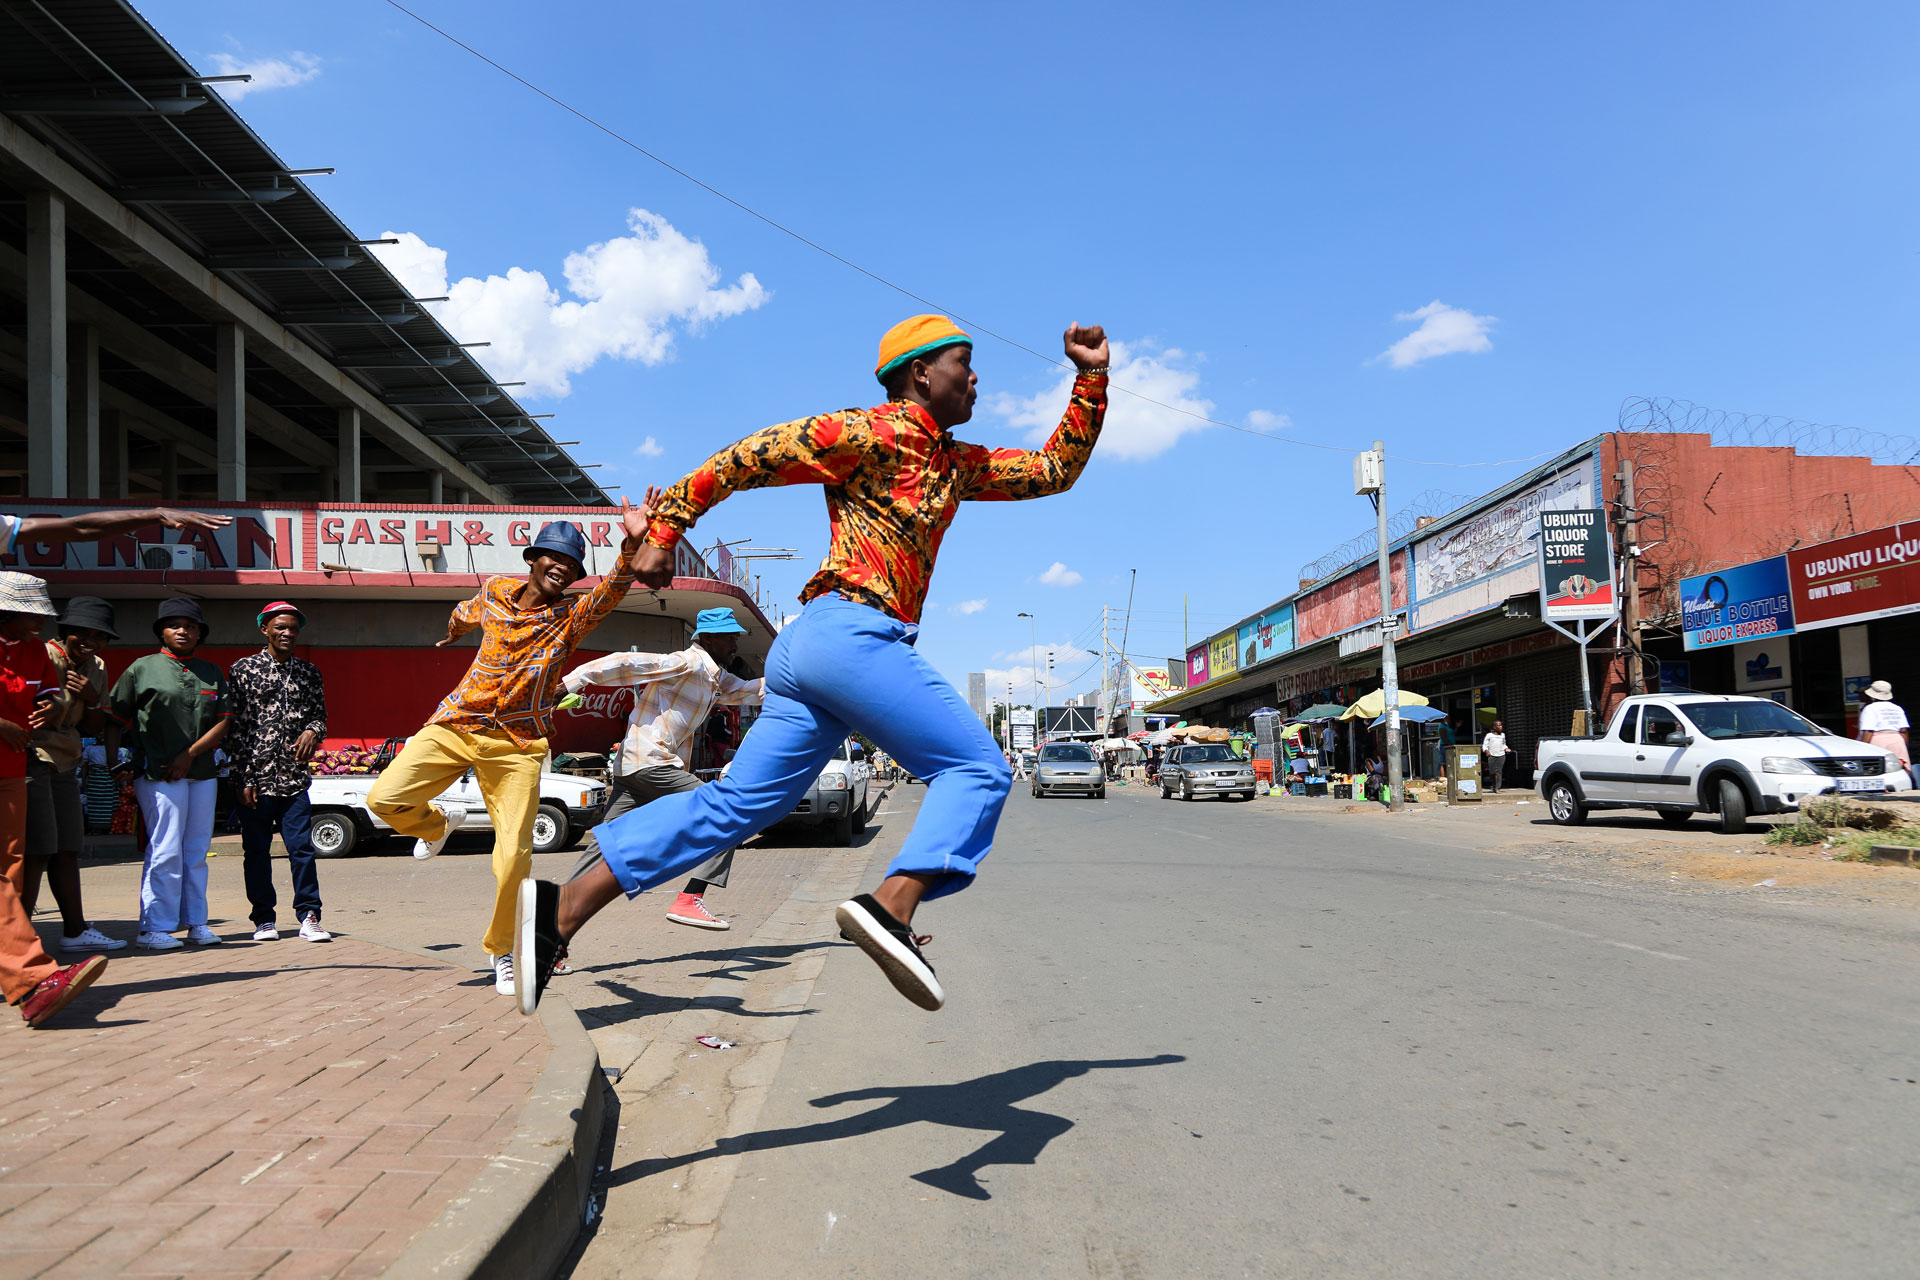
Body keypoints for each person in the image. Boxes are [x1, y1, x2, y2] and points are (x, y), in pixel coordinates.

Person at [515, 315, 1110, 1016]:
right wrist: (669, 524)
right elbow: (748, 456)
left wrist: (1091, 379)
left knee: (738, 806)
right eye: (963, 363)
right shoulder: (864, 432)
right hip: (850, 635)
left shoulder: (956, 462)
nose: (977, 378)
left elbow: (1050, 472)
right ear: (921, 372)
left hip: (815, 655)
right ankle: (892, 904)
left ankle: (558, 913)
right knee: (977, 769)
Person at [367, 495, 653, 995]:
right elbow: (465, 612)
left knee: (514, 857)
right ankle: (437, 824)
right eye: (554, 559)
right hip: (457, 724)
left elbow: (610, 591)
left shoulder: (571, 617)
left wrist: (630, 547)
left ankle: (503, 950)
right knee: (382, 799)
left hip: (518, 744)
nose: (561, 569)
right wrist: (451, 632)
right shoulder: (497, 590)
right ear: (532, 560)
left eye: (571, 565)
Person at [0, 507, 231, 1028]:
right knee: (148, 848)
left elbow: (73, 714)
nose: (42, 624)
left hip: (25, 767)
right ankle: (146, 927)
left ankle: (34, 976)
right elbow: (115, 719)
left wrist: (64, 706)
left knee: (21, 866)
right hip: (50, 763)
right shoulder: (134, 668)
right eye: (31, 615)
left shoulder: (40, 653)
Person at [557, 606, 764, 931]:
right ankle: (690, 898)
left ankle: (548, 930)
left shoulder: (715, 677)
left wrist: (802, 683)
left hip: (634, 769)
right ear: (708, 639)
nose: (735, 647)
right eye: (729, 639)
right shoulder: (687, 662)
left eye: (735, 639)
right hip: (651, 763)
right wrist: (571, 683)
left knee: (604, 849)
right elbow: (625, 663)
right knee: (729, 810)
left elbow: (751, 691)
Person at [110, 599, 231, 950]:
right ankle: (154, 928)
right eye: (174, 625)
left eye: (191, 626)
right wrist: (112, 758)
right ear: (161, 631)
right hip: (158, 772)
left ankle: (196, 923)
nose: (183, 630)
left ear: (200, 633)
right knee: (165, 849)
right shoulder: (142, 668)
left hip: (203, 772)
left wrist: (189, 755)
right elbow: (115, 718)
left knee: (196, 851)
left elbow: (223, 720)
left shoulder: (211, 671)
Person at [24, 597, 124, 953]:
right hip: (32, 757)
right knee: (37, 850)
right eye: (81, 632)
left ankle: (75, 930)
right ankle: (20, 938)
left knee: (68, 849)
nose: (90, 641)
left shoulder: (95, 665)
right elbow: (32, 715)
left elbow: (93, 726)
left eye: (99, 636)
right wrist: (59, 703)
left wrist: (93, 698)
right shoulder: (44, 655)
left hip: (67, 760)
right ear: (65, 631)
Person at [227, 601, 330, 943]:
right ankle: (263, 920)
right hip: (255, 779)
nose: (287, 633)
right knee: (256, 851)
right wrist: (242, 777)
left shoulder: (308, 673)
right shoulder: (242, 670)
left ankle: (309, 916)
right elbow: (235, 728)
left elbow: (320, 716)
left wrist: (313, 731)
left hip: (294, 779)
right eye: (280, 627)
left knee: (302, 849)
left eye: (293, 628)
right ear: (265, 630)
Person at [1856, 681, 1910, 769]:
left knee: (1879, 771)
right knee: (1899, 770)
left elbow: (1868, 731)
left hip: (1878, 743)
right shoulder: (1897, 708)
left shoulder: (1870, 708)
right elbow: (1903, 731)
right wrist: (1904, 748)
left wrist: (1863, 750)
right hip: (1898, 742)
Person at [1482, 719, 1509, 793]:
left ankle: (1498, 787)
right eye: (1499, 725)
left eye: (1501, 725)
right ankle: (1494, 785)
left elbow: (1503, 744)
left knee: (1499, 771)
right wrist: (1486, 751)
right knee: (1492, 772)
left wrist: (1506, 748)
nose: (1501, 727)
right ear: (1494, 727)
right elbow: (1485, 745)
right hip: (1492, 755)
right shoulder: (1489, 735)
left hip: (1501, 755)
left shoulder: (1503, 735)